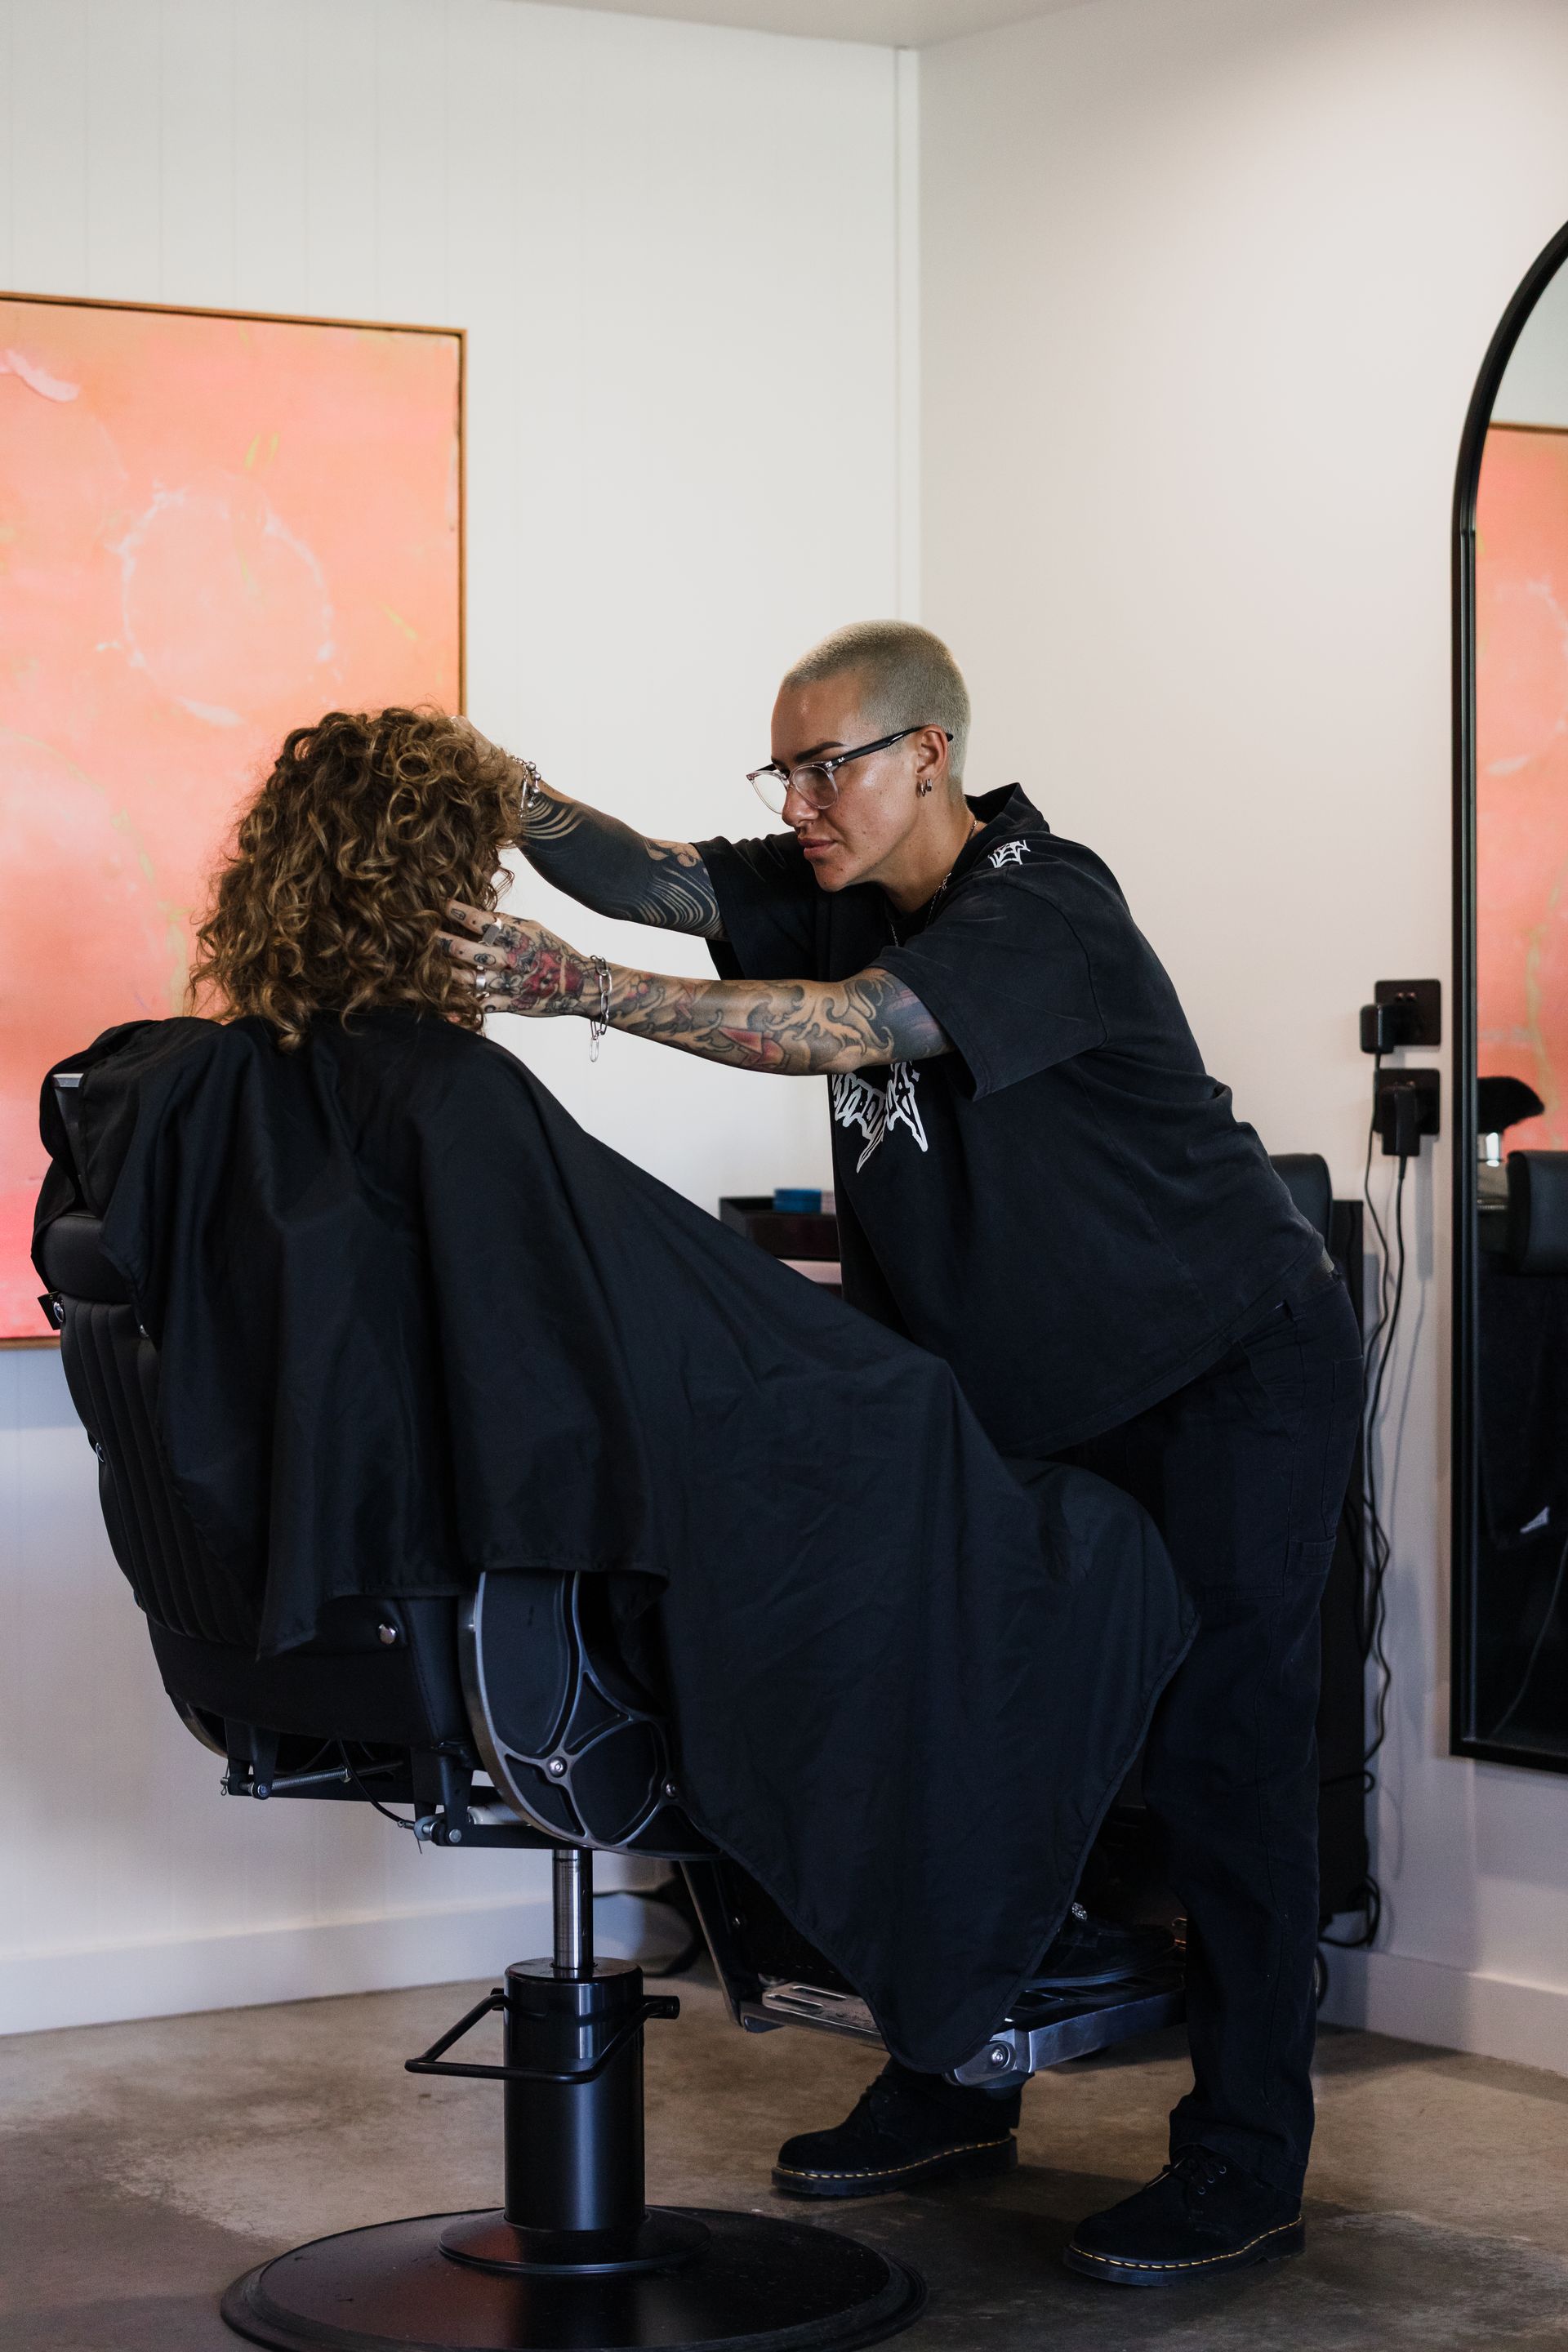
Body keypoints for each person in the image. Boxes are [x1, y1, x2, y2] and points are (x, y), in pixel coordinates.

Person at [36, 703, 1193, 2090]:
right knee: (1039, 1518)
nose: (802, 800)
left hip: (331, 1625)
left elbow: (554, 1340)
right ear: (446, 895)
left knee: (897, 1476)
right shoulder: (444, 1098)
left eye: (828, 770)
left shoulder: (203, 1095)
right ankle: (981, 1935)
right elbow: (647, 1357)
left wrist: (505, 797)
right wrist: (861, 1381)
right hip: (519, 1606)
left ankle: (926, 1951)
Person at [441, 623, 1365, 2288]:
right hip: (1033, 1386)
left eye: (826, 766)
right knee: (970, 1711)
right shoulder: (843, 875)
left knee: (1228, 1756)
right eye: (779, 770)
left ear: (926, 753)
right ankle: (952, 2084)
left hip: (1223, 1370)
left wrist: (575, 995)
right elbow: (661, 885)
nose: (796, 802)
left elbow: (845, 1031)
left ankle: (1245, 2160)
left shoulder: (1041, 903)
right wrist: (494, 787)